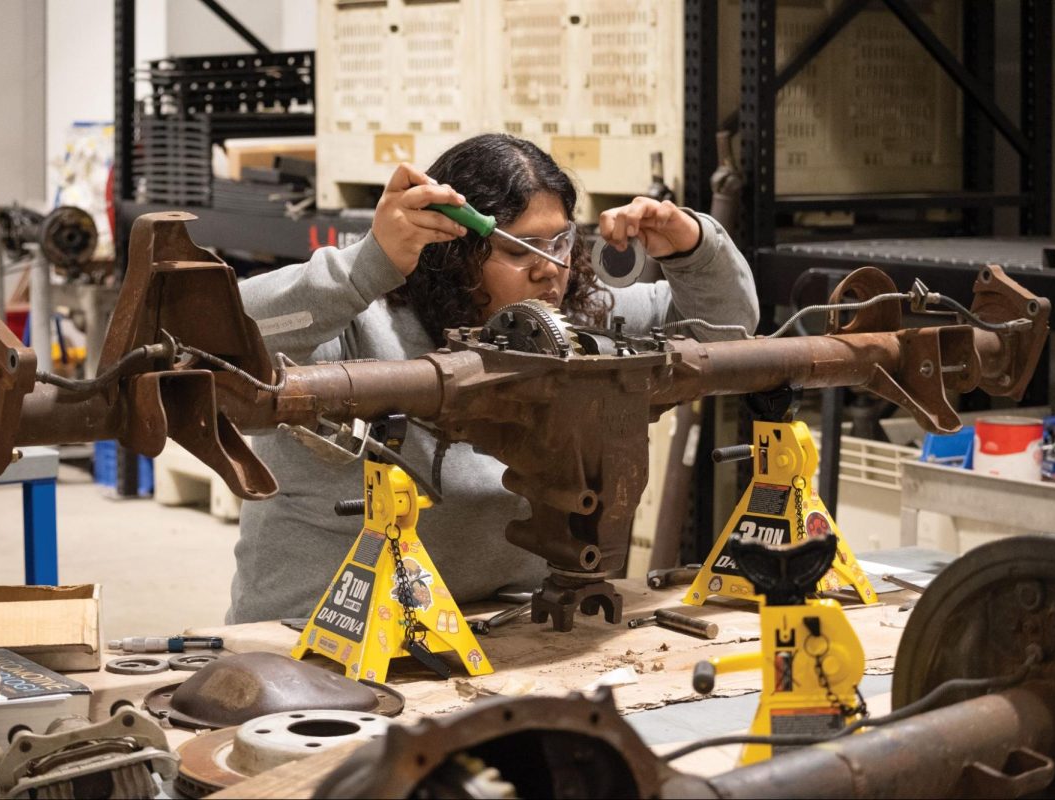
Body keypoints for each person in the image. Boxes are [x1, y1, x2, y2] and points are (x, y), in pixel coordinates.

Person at [227, 133, 758, 624]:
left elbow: (726, 336)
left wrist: (694, 249)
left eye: (561, 243)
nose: (549, 268)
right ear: (451, 249)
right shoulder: (359, 327)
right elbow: (227, 339)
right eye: (517, 249)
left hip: (506, 628)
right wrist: (364, 267)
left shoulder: (570, 322)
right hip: (317, 633)